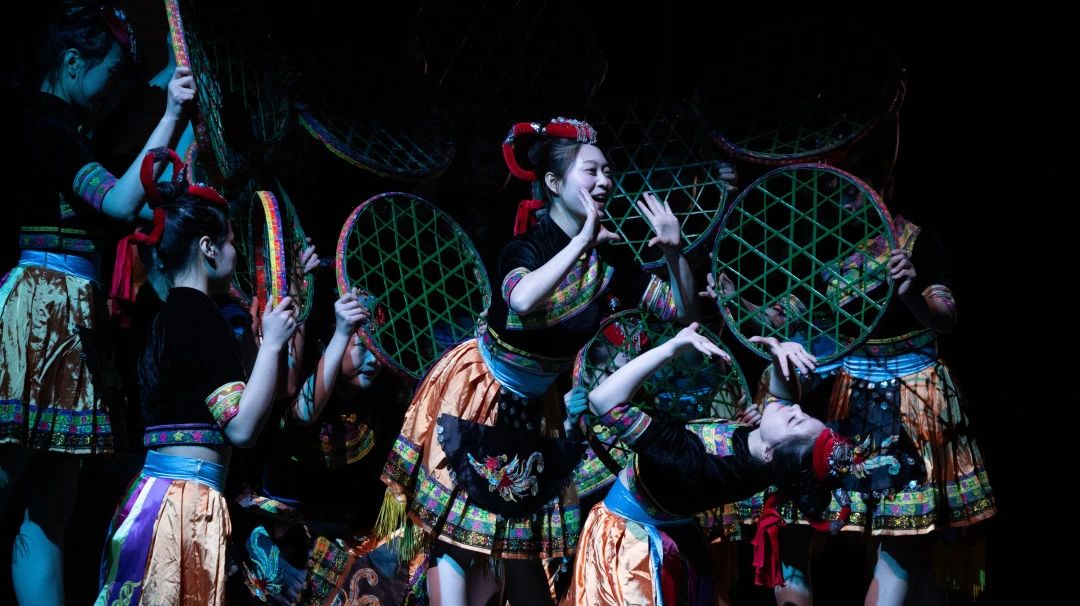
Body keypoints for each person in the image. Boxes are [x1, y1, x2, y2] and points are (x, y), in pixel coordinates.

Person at [377, 117, 699, 605]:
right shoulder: (526, 246)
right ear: (553, 183)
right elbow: (523, 299)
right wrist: (581, 242)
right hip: (479, 390)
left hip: (535, 408)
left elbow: (680, 312)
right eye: (591, 171)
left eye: (608, 172)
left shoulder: (610, 264)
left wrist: (675, 254)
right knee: (458, 536)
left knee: (522, 545)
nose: (604, 182)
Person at [0, 5, 194, 603]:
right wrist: (172, 114)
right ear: (71, 62)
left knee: (51, 506)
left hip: (69, 312)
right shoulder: (45, 126)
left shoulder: (73, 127)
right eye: (108, 72)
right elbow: (117, 201)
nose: (113, 88)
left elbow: (131, 196)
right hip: (41, 308)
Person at [95, 150, 297, 605]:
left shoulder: (168, 316)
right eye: (230, 242)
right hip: (183, 508)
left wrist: (262, 345)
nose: (235, 252)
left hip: (155, 495)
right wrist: (271, 345)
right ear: (208, 248)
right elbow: (242, 428)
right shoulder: (202, 318)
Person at [564, 324, 882, 605]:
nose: (796, 410)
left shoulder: (694, 462)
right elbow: (783, 401)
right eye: (803, 414)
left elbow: (604, 401)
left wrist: (672, 346)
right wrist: (778, 357)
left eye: (795, 421)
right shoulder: (766, 458)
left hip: (628, 542)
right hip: (674, 532)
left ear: (772, 454)